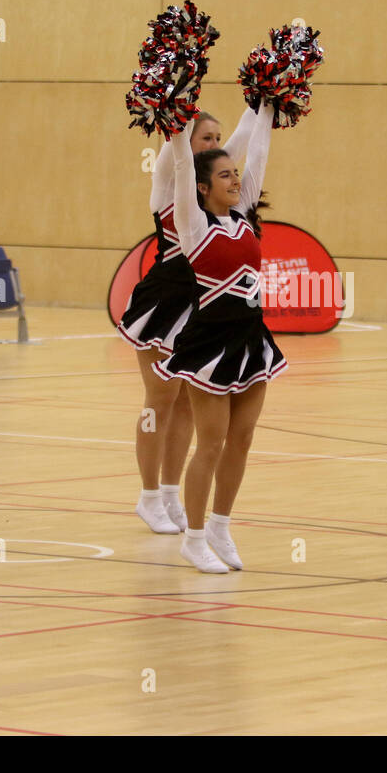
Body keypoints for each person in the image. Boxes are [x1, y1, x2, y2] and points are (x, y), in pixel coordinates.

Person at [152, 104, 281, 572]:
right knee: (210, 442)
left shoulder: (244, 217)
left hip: (252, 339)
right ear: (202, 188)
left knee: (242, 439)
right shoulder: (193, 224)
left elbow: (261, 152)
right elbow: (184, 163)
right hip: (209, 343)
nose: (234, 179)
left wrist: (268, 103)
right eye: (223, 175)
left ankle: (222, 528)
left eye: (235, 173)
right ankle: (195, 536)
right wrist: (178, 111)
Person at [118, 109, 257, 535]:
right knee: (159, 399)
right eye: (205, 137)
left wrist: (261, 98)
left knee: (186, 407)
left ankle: (170, 491)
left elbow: (243, 138)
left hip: (202, 306)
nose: (215, 144)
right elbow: (175, 144)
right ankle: (147, 495)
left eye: (219, 137)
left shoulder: (215, 188)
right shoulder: (169, 182)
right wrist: (181, 88)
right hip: (163, 304)